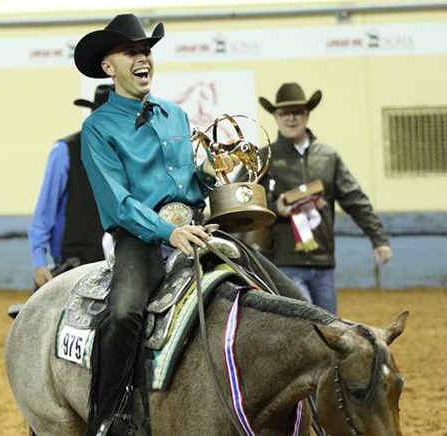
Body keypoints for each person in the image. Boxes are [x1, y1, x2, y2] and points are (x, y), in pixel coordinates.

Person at [74, 14, 240, 436]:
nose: (142, 57)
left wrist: (210, 170)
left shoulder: (175, 114)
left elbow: (191, 182)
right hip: (141, 239)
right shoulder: (97, 128)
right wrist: (169, 232)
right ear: (109, 68)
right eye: (131, 51)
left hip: (198, 228)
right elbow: (119, 202)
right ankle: (109, 418)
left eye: (146, 50)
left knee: (257, 284)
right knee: (124, 312)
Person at [246, 82, 392, 314]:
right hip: (283, 263)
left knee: (330, 330)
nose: (291, 118)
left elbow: (355, 200)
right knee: (303, 328)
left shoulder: (328, 157)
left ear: (307, 114)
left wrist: (379, 238)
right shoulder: (264, 158)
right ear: (275, 116)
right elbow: (244, 201)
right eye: (284, 113)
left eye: (297, 112)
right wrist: (276, 207)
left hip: (323, 263)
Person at [28, 85, 112, 289]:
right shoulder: (66, 151)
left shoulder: (128, 154)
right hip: (74, 262)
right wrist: (39, 261)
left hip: (114, 259)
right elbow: (45, 209)